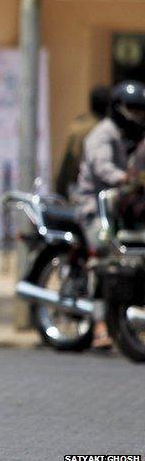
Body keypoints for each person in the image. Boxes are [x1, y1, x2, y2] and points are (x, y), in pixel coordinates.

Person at [74, 80, 145, 348]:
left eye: (141, 110)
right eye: (134, 109)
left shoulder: (133, 137)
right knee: (104, 255)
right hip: (94, 207)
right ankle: (101, 323)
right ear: (118, 108)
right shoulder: (102, 134)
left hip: (120, 207)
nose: (138, 116)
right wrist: (128, 179)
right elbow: (103, 168)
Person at [55, 86, 110, 197]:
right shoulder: (112, 129)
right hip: (108, 192)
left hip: (83, 190)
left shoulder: (79, 129)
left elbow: (68, 164)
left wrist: (60, 191)